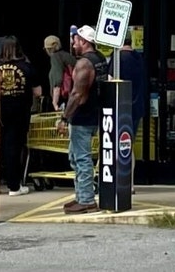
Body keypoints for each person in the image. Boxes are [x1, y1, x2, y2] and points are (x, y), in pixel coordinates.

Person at [56, 25, 108, 214]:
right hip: (95, 114)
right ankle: (80, 196)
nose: (72, 43)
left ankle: (86, 199)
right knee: (75, 157)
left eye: (75, 40)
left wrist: (64, 118)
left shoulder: (84, 64)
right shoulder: (100, 59)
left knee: (81, 158)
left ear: (84, 41)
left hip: (82, 117)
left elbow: (77, 94)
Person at [0, 35, 40, 197]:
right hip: (19, 113)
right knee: (13, 148)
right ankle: (14, 186)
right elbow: (38, 92)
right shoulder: (27, 67)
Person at [117, 34, 148, 192]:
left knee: (116, 146)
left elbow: (110, 81)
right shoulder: (139, 58)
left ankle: (118, 180)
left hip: (120, 107)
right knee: (128, 145)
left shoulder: (118, 59)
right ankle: (130, 183)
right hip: (136, 108)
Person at [45, 34, 77, 112]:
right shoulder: (67, 56)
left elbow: (58, 81)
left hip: (64, 99)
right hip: (73, 96)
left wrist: (55, 102)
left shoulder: (55, 58)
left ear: (48, 49)